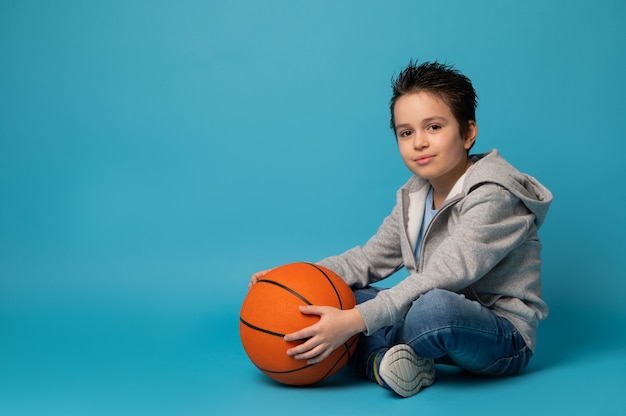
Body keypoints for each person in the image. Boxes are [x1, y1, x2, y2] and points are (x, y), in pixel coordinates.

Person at [249, 60, 553, 397]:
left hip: (500, 336)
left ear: (468, 133)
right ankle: (386, 364)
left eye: (434, 127)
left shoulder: (495, 196)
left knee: (430, 308)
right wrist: (293, 277)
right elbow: (367, 261)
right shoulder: (414, 194)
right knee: (338, 297)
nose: (418, 142)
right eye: (406, 132)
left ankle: (369, 348)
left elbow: (441, 277)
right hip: (428, 311)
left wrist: (353, 322)